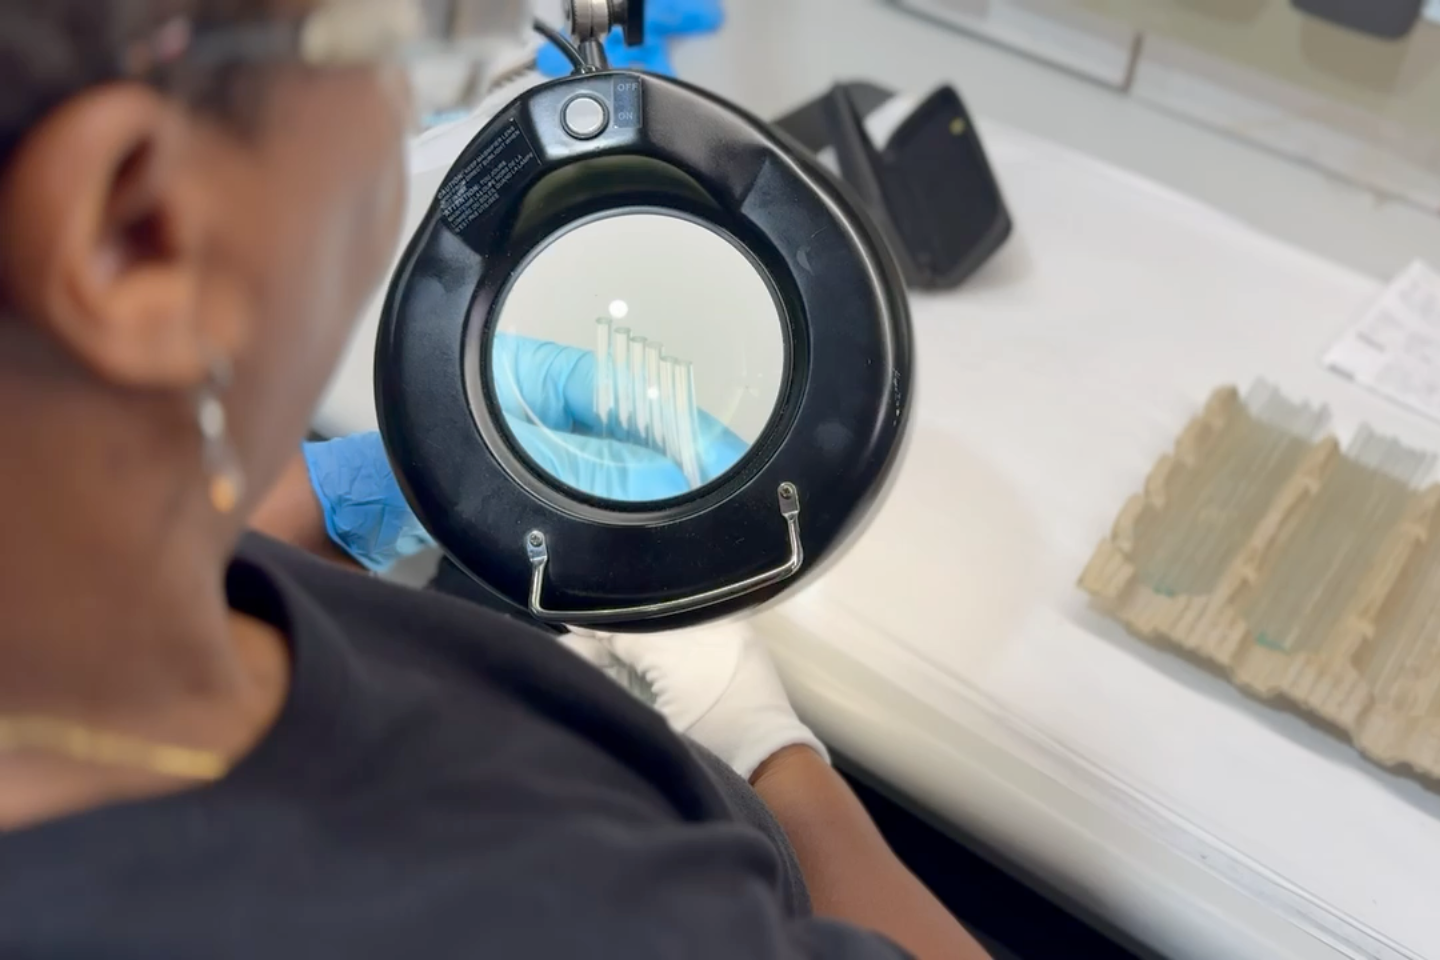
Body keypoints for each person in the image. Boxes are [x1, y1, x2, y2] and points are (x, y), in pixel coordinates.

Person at [0, 2, 990, 958]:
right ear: (139, 225)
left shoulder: (97, 634)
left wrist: (341, 499)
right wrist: (771, 752)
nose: (416, 112)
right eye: (396, 40)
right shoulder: (573, 914)